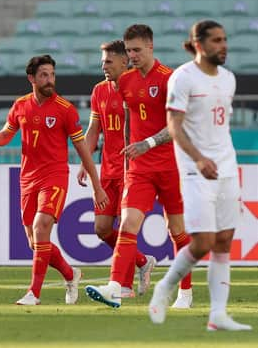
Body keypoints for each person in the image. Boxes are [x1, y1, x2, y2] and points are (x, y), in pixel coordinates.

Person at [0, 54, 108, 305]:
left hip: (55, 176)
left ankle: (33, 293)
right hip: (27, 179)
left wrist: (97, 185)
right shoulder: (20, 106)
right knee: (35, 242)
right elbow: (6, 134)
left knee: (41, 227)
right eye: (44, 75)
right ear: (32, 78)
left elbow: (82, 149)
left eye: (52, 74)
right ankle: (71, 274)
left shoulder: (65, 109)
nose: (50, 80)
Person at [149, 20, 251, 331]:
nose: (224, 46)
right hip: (195, 169)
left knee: (224, 241)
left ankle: (218, 316)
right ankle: (165, 287)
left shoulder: (229, 79)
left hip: (226, 166)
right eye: (217, 40)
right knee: (203, 240)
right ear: (199, 44)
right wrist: (199, 158)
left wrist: (219, 160)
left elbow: (218, 126)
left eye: (225, 39)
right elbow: (174, 127)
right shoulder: (183, 78)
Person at [85, 24, 192, 309]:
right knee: (128, 225)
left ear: (150, 47)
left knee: (177, 230)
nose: (132, 55)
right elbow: (123, 122)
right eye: (129, 50)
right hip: (139, 169)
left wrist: (148, 143)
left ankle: (186, 291)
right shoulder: (125, 82)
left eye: (136, 50)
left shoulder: (170, 79)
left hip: (170, 165)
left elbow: (176, 124)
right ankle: (115, 287)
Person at [77, 40, 156, 299]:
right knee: (101, 228)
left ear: (124, 61)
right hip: (108, 169)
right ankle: (143, 262)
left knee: (125, 227)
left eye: (109, 61)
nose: (104, 66)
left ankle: (124, 287)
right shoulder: (99, 90)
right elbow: (93, 131)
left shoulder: (137, 88)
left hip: (133, 168)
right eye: (102, 61)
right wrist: (84, 162)